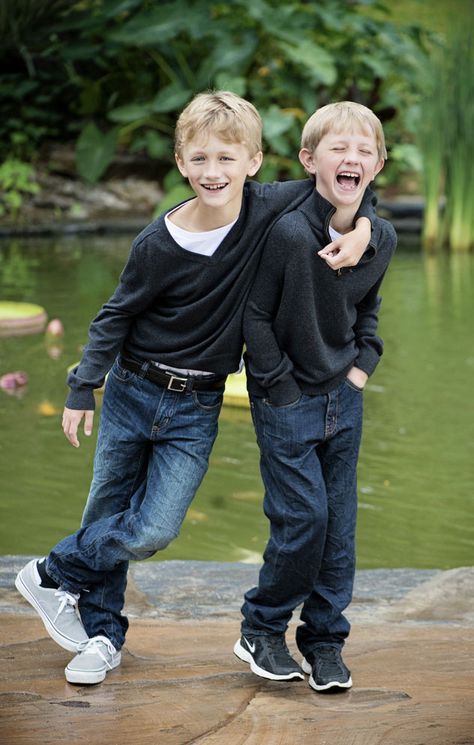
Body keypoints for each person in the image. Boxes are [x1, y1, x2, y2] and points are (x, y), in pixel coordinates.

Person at [15, 92, 374, 686]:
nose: (214, 173)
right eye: (201, 160)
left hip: (198, 403)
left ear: (254, 162)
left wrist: (362, 230)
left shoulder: (266, 208)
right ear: (182, 162)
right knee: (108, 509)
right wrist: (82, 386)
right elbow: (114, 315)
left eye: (227, 160)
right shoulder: (157, 245)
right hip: (133, 391)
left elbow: (348, 181)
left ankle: (53, 570)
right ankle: (103, 636)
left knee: (155, 527)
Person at [234, 101, 397, 692]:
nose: (351, 158)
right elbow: (254, 315)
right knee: (303, 517)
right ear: (309, 160)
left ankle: (325, 640)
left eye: (363, 150)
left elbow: (368, 311)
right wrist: (277, 385)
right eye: (338, 148)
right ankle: (262, 626)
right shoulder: (287, 231)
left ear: (377, 165)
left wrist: (362, 370)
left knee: (340, 527)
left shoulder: (383, 236)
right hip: (286, 401)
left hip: (343, 395)